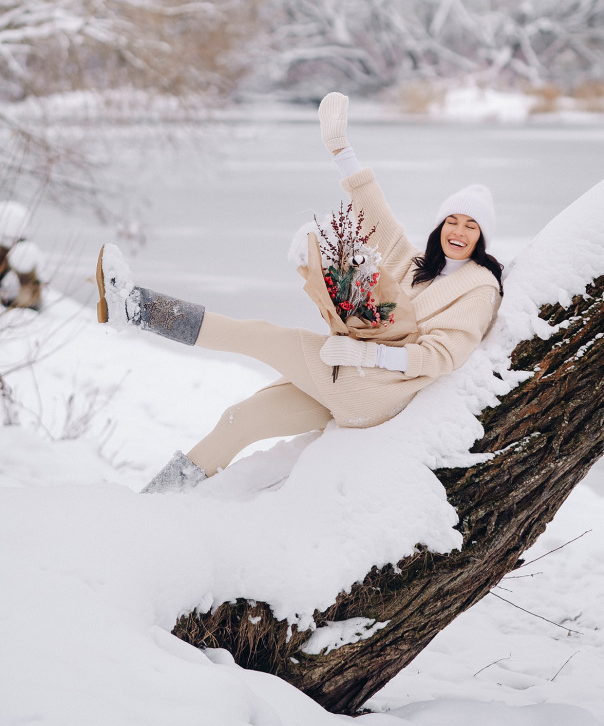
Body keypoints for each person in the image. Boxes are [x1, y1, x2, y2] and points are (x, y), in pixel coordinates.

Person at [96, 93, 503, 493]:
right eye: (453, 220)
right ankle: (155, 502)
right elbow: (375, 214)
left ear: (482, 237)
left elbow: (443, 356)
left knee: (256, 334)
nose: (459, 231)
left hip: (377, 391)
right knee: (242, 418)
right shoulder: (415, 266)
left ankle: (134, 308)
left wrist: (368, 354)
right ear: (440, 226)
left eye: (471, 225)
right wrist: (341, 149)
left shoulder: (479, 287)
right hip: (352, 384)